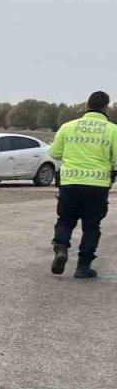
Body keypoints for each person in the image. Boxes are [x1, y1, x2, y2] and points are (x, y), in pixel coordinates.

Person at [49, 91, 117, 278]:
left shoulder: (68, 127)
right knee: (91, 226)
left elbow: (54, 153)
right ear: (105, 107)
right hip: (97, 185)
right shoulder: (112, 130)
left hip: (70, 182)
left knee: (65, 219)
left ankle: (61, 248)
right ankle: (83, 266)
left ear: (87, 106)